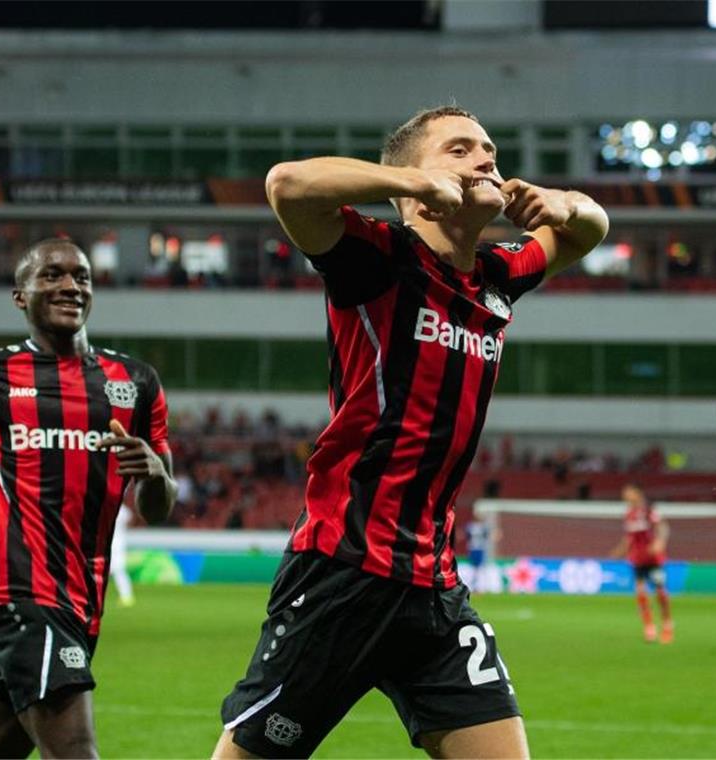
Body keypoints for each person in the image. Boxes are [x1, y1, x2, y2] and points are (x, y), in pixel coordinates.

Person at [212, 105, 609, 759]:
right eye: (460, 149)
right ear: (415, 184)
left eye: (490, 149)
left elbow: (591, 229)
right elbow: (286, 184)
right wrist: (409, 185)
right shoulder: (377, 260)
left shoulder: (496, 277)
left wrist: (561, 202)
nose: (486, 158)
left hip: (434, 587)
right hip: (344, 573)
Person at [0, 238, 178, 759]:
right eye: (52, 275)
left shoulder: (136, 383)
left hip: (82, 599)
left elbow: (157, 505)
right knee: (75, 751)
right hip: (21, 592)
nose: (70, 285)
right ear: (20, 296)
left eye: (81, 277)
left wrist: (153, 473)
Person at [610, 483, 674, 644]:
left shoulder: (649, 511)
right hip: (637, 558)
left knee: (660, 593)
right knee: (640, 592)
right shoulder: (629, 514)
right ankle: (649, 627)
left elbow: (663, 527)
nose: (625, 495)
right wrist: (620, 550)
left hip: (653, 559)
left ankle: (667, 624)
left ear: (637, 494)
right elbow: (629, 537)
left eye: (628, 492)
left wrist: (660, 542)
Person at [110, 504, 136, 606]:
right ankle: (126, 596)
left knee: (118, 570)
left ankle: (126, 596)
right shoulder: (124, 510)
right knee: (118, 570)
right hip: (119, 543)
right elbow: (130, 520)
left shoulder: (108, 506)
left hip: (115, 544)